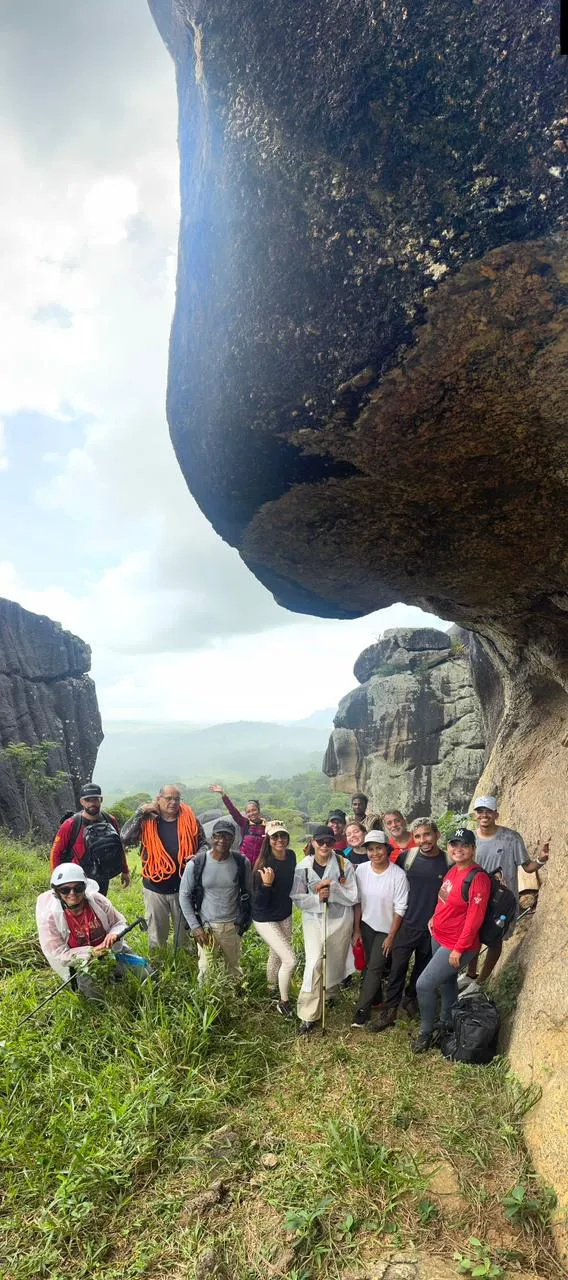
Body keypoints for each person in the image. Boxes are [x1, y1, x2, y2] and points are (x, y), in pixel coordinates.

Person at [413, 827, 492, 1053]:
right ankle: (447, 1023)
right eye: (454, 845)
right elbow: (444, 898)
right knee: (447, 983)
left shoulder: (478, 878)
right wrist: (433, 917)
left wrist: (459, 949)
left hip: (457, 943)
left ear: (473, 849)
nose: (458, 849)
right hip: (439, 935)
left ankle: (426, 1031)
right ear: (449, 847)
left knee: (424, 984)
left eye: (464, 845)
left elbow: (474, 919)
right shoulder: (453, 870)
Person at [462, 795, 550, 986]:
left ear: (496, 814)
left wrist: (542, 859)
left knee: (495, 940)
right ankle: (470, 975)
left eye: (488, 811)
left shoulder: (511, 838)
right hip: (476, 897)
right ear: (476, 815)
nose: (484, 815)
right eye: (480, 811)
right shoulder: (470, 839)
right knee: (472, 935)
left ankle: (481, 982)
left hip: (502, 901)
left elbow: (527, 867)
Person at [371, 818, 449, 1030]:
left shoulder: (448, 862)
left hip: (433, 928)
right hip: (406, 924)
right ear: (413, 838)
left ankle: (410, 998)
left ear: (437, 835)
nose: (423, 840)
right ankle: (390, 1011)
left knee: (422, 969)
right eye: (418, 836)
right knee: (397, 969)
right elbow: (392, 882)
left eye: (427, 834)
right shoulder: (408, 857)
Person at [291, 824, 358, 1034]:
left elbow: (353, 895)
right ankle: (308, 1014)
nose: (325, 846)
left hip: (339, 920)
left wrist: (334, 888)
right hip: (314, 920)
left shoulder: (343, 864)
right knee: (314, 962)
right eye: (321, 842)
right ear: (313, 842)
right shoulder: (303, 867)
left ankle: (328, 994)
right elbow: (298, 897)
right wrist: (317, 898)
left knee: (333, 959)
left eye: (329, 842)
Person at [121, 786, 206, 951]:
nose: (173, 802)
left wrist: (199, 855)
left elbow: (204, 843)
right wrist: (140, 812)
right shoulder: (147, 820)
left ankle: (183, 962)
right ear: (158, 799)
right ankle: (159, 963)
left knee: (184, 934)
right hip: (155, 887)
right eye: (168, 798)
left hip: (183, 886)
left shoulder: (190, 819)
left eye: (177, 799)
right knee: (157, 933)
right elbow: (125, 838)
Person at [36, 863, 133, 996]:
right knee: (95, 997)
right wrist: (91, 952)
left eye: (78, 888)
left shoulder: (98, 901)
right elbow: (58, 953)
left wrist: (114, 933)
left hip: (111, 950)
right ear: (57, 892)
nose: (72, 894)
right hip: (83, 961)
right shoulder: (51, 918)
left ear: (85, 887)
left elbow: (119, 922)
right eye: (65, 890)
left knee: (143, 973)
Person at [179, 818, 252, 984]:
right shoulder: (196, 863)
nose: (222, 840)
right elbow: (184, 895)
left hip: (232, 926)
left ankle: (233, 1003)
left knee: (233, 968)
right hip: (206, 927)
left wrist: (245, 922)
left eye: (227, 837)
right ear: (212, 837)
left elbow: (249, 893)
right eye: (218, 836)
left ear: (234, 839)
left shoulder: (241, 862)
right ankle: (206, 1003)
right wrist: (195, 927)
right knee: (206, 970)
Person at [350, 830, 409, 1028]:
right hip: (366, 925)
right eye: (371, 849)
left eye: (379, 848)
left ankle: (362, 1010)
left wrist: (392, 936)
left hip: (386, 929)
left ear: (387, 849)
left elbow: (400, 908)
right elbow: (358, 902)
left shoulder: (398, 876)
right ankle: (374, 998)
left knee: (375, 966)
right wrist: (357, 929)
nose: (375, 853)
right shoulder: (361, 870)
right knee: (367, 965)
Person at [50, 783, 130, 897]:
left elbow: (119, 847)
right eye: (88, 800)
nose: (92, 803)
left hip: (103, 876)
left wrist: (125, 870)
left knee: (98, 908)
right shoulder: (71, 824)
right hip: (77, 879)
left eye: (96, 799)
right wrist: (56, 881)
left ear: (101, 800)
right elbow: (55, 853)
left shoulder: (110, 820)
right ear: (82, 802)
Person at [251, 820, 297, 1016]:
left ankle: (270, 988)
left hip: (284, 914)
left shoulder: (292, 856)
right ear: (268, 840)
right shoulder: (264, 865)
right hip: (264, 918)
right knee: (290, 960)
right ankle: (283, 1001)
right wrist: (267, 885)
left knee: (276, 954)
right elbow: (259, 903)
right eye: (275, 836)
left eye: (283, 836)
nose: (280, 840)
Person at [208, 784, 266, 866]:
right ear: (246, 814)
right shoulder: (245, 823)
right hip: (244, 864)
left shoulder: (267, 827)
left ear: (259, 810)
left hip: (261, 865)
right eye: (249, 811)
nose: (252, 813)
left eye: (254, 810)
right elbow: (233, 811)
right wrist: (223, 794)